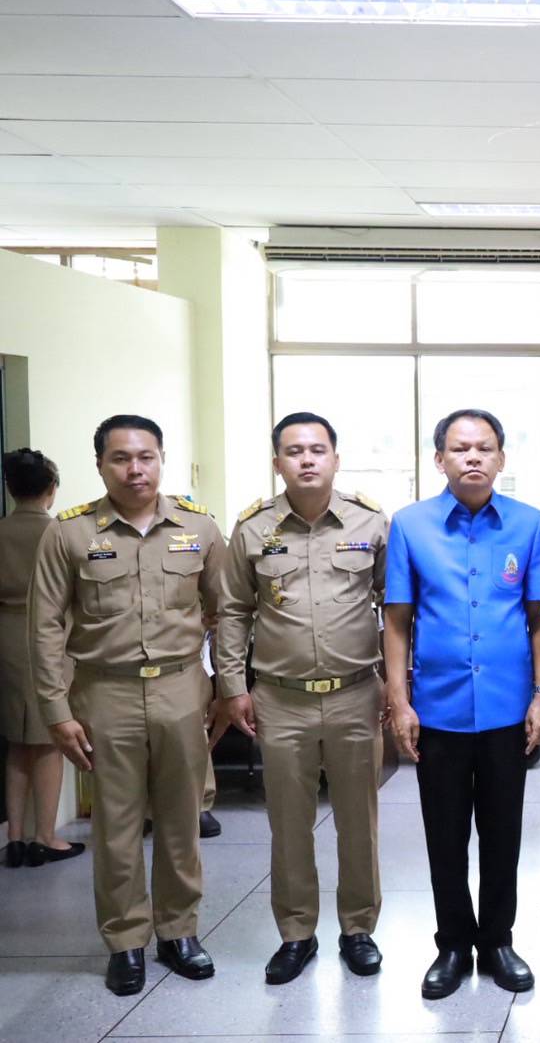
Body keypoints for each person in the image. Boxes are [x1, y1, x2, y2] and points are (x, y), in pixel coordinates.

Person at [29, 415, 226, 995]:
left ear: (161, 459)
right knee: (116, 826)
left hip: (181, 689)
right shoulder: (68, 534)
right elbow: (44, 628)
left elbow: (228, 611)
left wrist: (228, 686)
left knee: (182, 820)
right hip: (104, 693)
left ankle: (179, 931)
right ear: (100, 465)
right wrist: (56, 710)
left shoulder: (199, 527)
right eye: (120, 458)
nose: (134, 469)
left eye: (145, 457)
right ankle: (125, 941)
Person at [210, 413, 388, 985]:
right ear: (277, 462)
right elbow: (233, 611)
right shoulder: (252, 528)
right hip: (281, 699)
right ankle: (296, 933)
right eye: (294, 451)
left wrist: (397, 682)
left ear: (336, 458)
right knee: (288, 823)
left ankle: (358, 929)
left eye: (317, 449)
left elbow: (397, 606)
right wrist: (232, 687)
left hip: (356, 694)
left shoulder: (370, 522)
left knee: (358, 822)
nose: (307, 459)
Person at [383, 408, 540, 1000]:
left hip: (508, 711)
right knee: (445, 834)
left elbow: (539, 620)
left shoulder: (528, 525)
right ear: (440, 460)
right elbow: (397, 621)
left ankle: (498, 940)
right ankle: (453, 944)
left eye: (485, 448)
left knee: (504, 833)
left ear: (501, 458)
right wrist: (399, 701)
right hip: (439, 710)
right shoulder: (411, 526)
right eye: (460, 449)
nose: (473, 457)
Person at [1, 448, 84, 868]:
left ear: (10, 487)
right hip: (51, 637)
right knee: (51, 739)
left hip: (6, 636)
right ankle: (45, 837)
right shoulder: (61, 532)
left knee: (17, 742)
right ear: (52, 489)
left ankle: (14, 837)